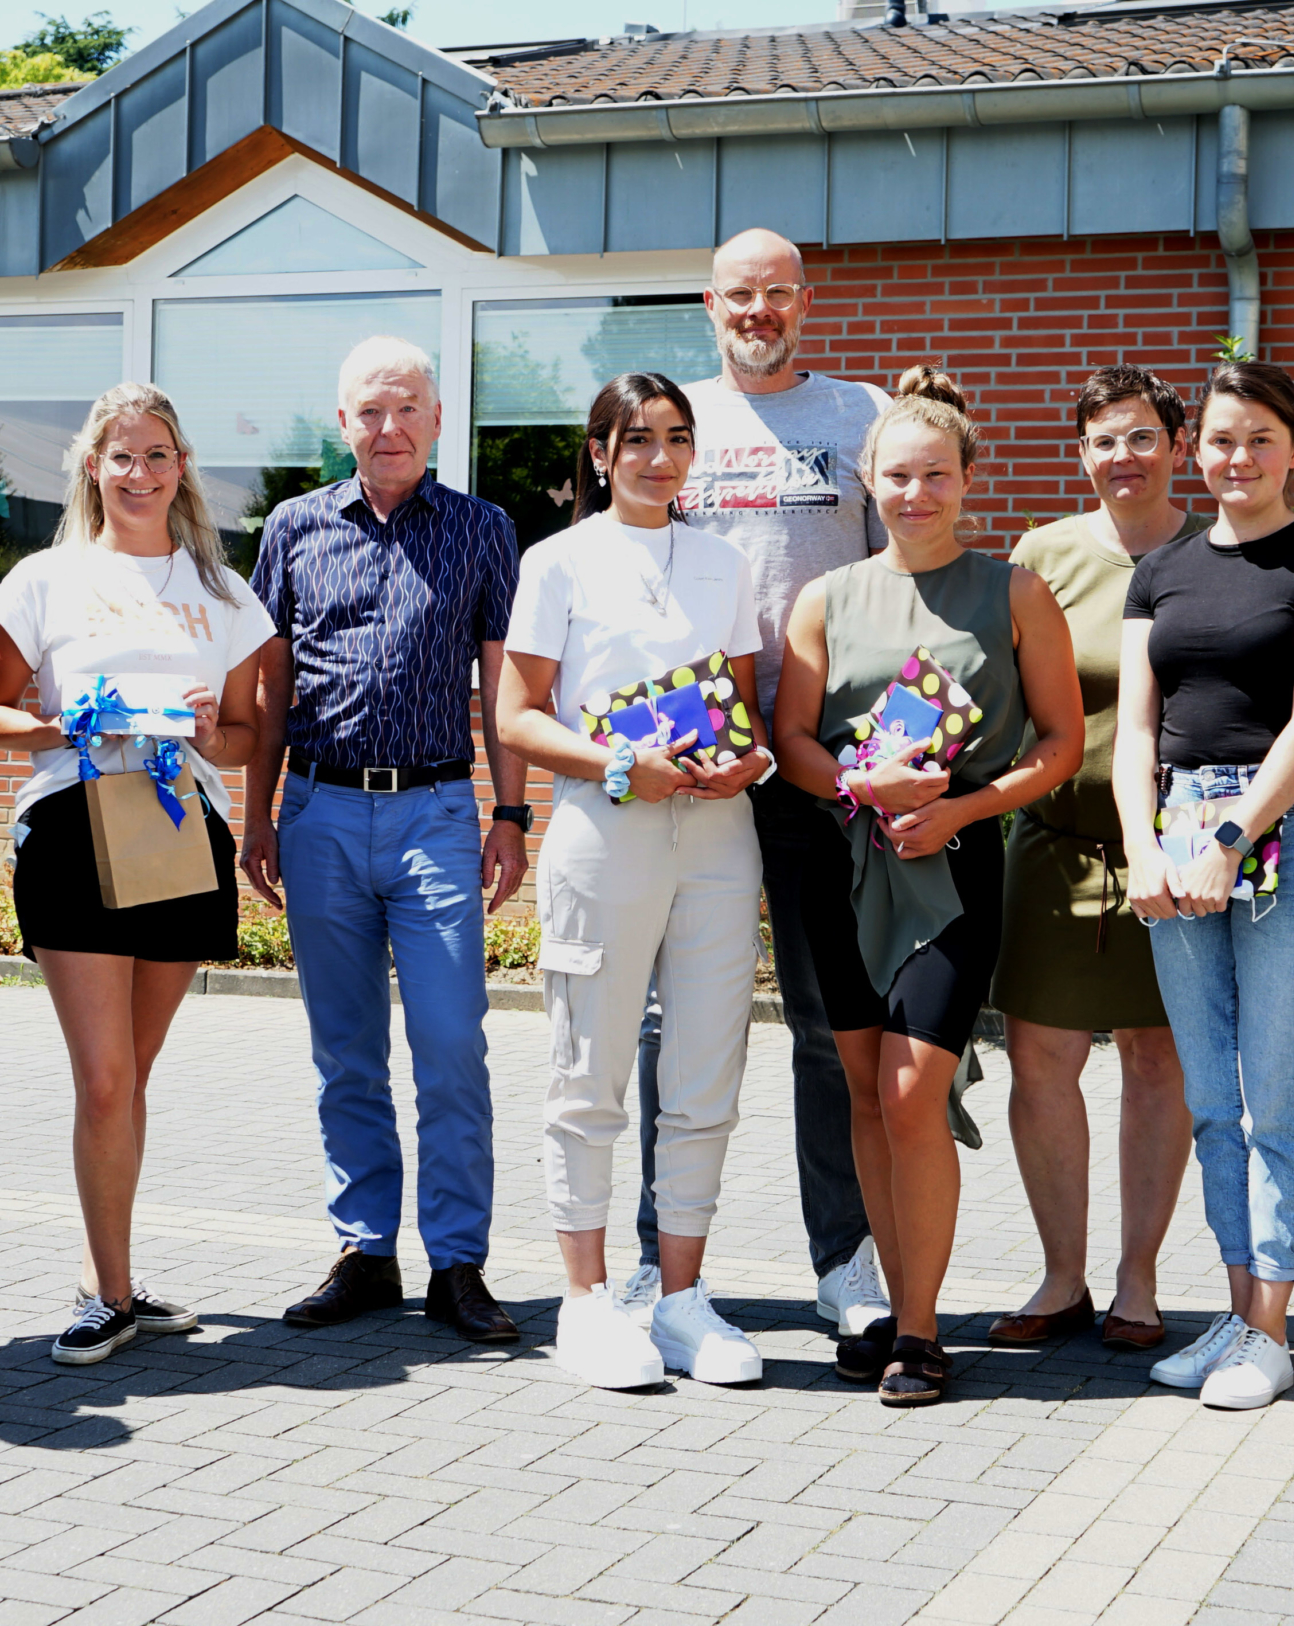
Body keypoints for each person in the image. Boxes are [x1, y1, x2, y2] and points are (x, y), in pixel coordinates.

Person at [772, 366, 1083, 1405]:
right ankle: (891, 1311)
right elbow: (791, 740)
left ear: (966, 479)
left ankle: (919, 1329)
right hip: (843, 863)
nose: (914, 494)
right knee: (863, 1091)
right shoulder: (825, 598)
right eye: (896, 476)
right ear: (867, 478)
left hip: (950, 866)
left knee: (912, 1094)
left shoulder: (1013, 592)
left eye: (934, 475)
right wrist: (858, 784)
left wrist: (958, 807)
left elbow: (1060, 743)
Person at [621, 227, 895, 1347]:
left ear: (804, 302)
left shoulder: (860, 416)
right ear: (709, 303)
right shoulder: (671, 421)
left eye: (778, 294)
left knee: (832, 1027)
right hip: (692, 768)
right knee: (671, 1020)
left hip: (821, 768)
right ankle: (656, 1264)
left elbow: (896, 575)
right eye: (740, 295)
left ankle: (844, 1260)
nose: (759, 312)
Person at [0, 383, 275, 1364]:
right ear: (92, 470)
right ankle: (104, 1291)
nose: (139, 473)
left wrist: (202, 728)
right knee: (104, 1080)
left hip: (180, 834)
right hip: (71, 828)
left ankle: (121, 1275)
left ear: (180, 467)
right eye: (121, 457)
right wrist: (64, 723)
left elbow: (239, 741)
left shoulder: (223, 591)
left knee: (132, 1078)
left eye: (157, 455)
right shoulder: (42, 580)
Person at [241, 338, 527, 1345]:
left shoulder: (485, 529)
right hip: (317, 815)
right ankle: (366, 1250)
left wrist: (511, 812)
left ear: (438, 419)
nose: (388, 428)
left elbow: (504, 687)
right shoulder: (290, 528)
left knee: (451, 1044)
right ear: (342, 422)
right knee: (345, 1050)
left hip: (436, 816)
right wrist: (257, 815)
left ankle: (459, 1263)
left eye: (406, 408)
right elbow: (271, 686)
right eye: (368, 411)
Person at [496, 371, 772, 1389]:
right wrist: (617, 766)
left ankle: (682, 1301)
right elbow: (519, 717)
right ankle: (584, 1301)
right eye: (638, 440)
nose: (660, 458)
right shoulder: (555, 561)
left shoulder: (722, 563)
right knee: (591, 1066)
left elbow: (739, 706)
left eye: (676, 438)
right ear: (600, 453)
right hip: (605, 829)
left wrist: (751, 763)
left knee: (703, 1071)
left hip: (715, 833)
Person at [1118, 361, 1294, 1412]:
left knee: (1273, 1098)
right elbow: (1136, 726)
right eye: (1219, 441)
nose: (1236, 458)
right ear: (1197, 452)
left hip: (1289, 823)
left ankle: (1270, 1327)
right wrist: (1143, 842)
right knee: (1209, 1100)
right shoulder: (1162, 568)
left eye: (1257, 439)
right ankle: (1235, 1316)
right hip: (1175, 823)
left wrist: (1229, 833)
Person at [986, 366, 1203, 1356]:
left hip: (1177, 853)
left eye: (1141, 437)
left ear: (1179, 444)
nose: (1123, 456)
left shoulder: (1216, 552)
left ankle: (1138, 1281)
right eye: (1104, 440)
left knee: (1157, 1060)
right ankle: (1061, 1275)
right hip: (1056, 846)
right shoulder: (1043, 556)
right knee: (1041, 1059)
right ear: (1082, 453)